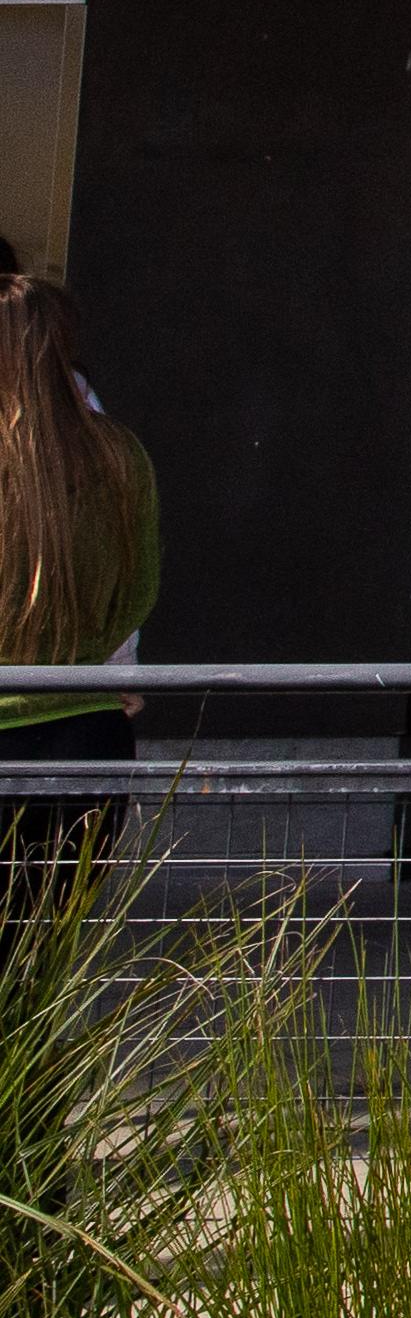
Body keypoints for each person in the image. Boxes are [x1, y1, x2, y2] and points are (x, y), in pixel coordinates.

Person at [0, 273, 153, 931]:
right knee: (44, 957)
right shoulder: (118, 453)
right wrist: (113, 670)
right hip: (89, 730)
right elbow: (137, 586)